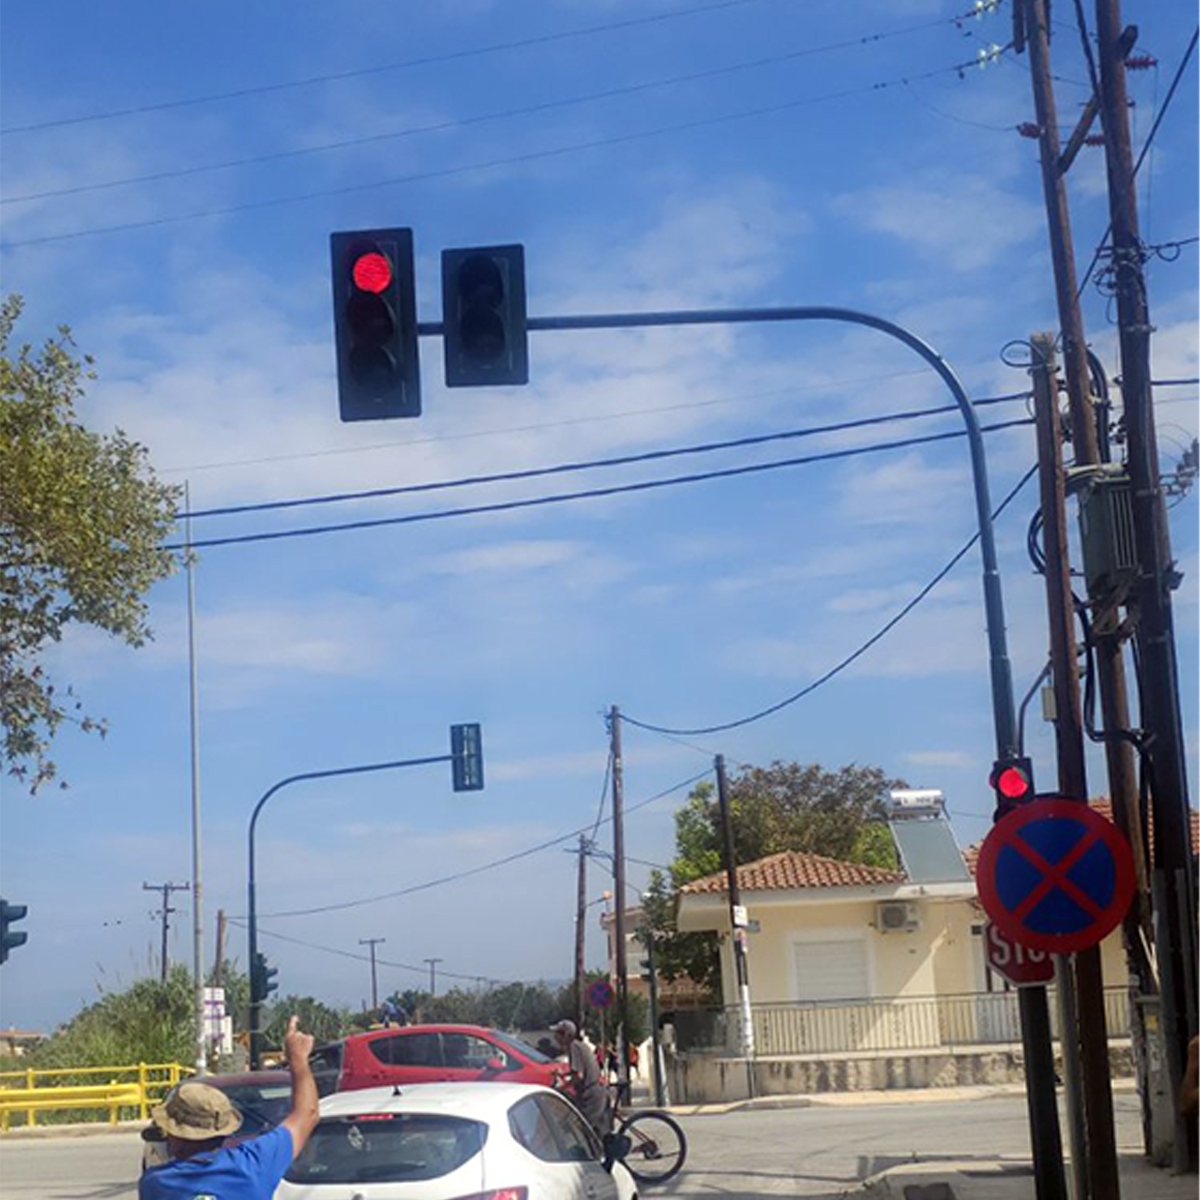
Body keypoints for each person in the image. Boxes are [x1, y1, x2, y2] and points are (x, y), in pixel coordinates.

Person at [139, 1015, 319, 1200]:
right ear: (223, 1132)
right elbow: (307, 1113)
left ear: (177, 1135)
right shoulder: (254, 1164)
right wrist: (298, 1059)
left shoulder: (155, 1183)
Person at [551, 1019, 610, 1139]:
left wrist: (562, 1088)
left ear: (566, 1035)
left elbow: (579, 1076)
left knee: (583, 1128)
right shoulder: (578, 1046)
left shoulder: (574, 1048)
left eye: (557, 1033)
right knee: (592, 1130)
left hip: (591, 1095)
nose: (555, 1037)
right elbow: (578, 1070)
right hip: (594, 1091)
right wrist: (563, 1075)